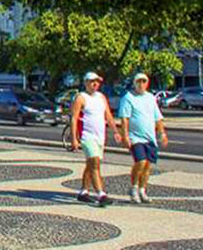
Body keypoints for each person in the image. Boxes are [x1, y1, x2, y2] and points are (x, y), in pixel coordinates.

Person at [68, 71, 119, 206]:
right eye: (91, 81)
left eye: (97, 81)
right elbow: (73, 118)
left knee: (90, 165)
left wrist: (115, 131)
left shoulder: (101, 97)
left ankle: (83, 192)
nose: (95, 84)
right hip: (87, 136)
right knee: (95, 163)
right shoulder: (81, 97)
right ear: (85, 83)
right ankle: (101, 194)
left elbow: (108, 115)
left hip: (99, 137)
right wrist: (74, 138)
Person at [117, 72, 169, 203]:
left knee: (147, 166)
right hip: (136, 137)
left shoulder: (150, 98)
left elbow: (158, 117)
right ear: (134, 83)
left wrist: (162, 133)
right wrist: (125, 136)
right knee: (140, 162)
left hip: (149, 137)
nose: (141, 84)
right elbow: (124, 119)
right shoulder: (128, 97)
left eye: (144, 82)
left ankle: (142, 189)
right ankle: (134, 187)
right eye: (138, 82)